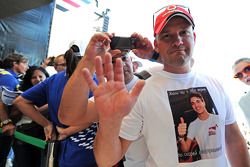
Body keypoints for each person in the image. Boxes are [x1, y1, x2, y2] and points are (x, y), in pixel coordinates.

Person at [59, 4, 250, 167]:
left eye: (184, 32)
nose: (178, 40)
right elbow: (104, 156)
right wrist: (109, 120)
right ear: (156, 44)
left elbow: (233, 139)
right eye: (167, 36)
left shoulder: (214, 82)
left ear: (195, 37)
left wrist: (155, 55)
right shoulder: (139, 90)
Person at [13, 45, 99, 167]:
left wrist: (47, 124)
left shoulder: (54, 79)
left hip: (58, 146)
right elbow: (96, 115)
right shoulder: (94, 80)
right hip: (84, 151)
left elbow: (20, 102)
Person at [12, 66, 49, 167]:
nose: (38, 79)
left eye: (40, 76)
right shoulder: (23, 93)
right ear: (29, 79)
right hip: (24, 133)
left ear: (46, 77)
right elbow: (33, 111)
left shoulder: (49, 91)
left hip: (42, 135)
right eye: (34, 77)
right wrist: (53, 103)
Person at [0, 53, 29, 167]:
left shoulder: (3, 74)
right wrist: (6, 122)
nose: (27, 67)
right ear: (15, 64)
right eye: (25, 63)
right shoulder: (9, 79)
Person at [177, 92, 221, 160]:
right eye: (193, 103)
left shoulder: (217, 119)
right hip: (205, 163)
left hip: (219, 161)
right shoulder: (193, 125)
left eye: (198, 101)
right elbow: (185, 149)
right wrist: (181, 137)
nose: (196, 105)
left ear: (203, 102)